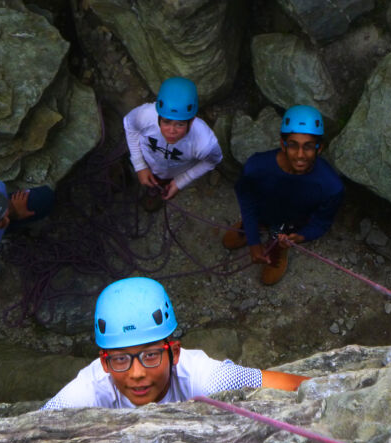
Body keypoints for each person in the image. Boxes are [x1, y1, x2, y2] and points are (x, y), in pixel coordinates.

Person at [41, 277, 308, 409]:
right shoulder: (86, 393)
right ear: (104, 363)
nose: (137, 373)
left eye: (151, 355)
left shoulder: (205, 378)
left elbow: (291, 385)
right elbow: (35, 427)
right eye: (120, 359)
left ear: (175, 352)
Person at [223, 105, 344, 285]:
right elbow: (247, 199)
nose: (300, 155)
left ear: (319, 148)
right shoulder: (257, 167)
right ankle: (257, 226)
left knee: (269, 276)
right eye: (293, 146)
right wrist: (253, 241)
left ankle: (279, 245)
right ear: (282, 145)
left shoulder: (331, 186)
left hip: (292, 225)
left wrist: (301, 237)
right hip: (262, 212)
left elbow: (321, 222)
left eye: (308, 147)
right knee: (229, 241)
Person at [123, 76, 223, 210]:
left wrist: (180, 182)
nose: (171, 131)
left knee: (163, 184)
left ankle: (159, 188)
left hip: (172, 173)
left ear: (192, 121)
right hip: (148, 161)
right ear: (158, 116)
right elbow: (130, 125)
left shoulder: (204, 143)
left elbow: (212, 161)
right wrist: (139, 165)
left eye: (180, 124)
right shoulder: (145, 115)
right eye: (166, 122)